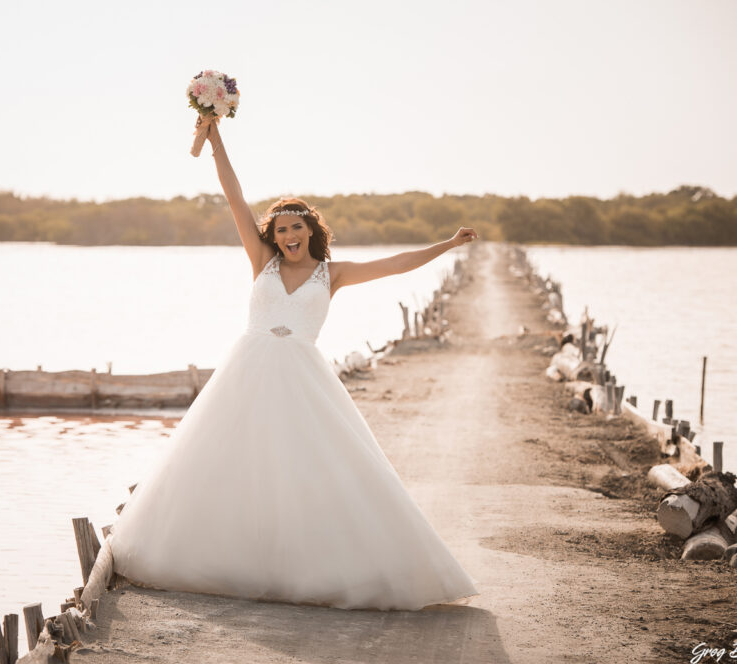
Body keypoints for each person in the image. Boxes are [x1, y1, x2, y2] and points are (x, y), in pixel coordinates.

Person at [107, 117, 480, 611]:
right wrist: (216, 139)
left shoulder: (334, 273)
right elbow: (234, 197)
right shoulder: (262, 262)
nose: (288, 237)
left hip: (303, 379)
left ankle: (310, 567)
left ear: (311, 230)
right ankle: (229, 559)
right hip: (248, 371)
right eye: (280, 230)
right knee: (232, 465)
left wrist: (449, 245)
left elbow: (396, 263)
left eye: (296, 228)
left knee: (307, 469)